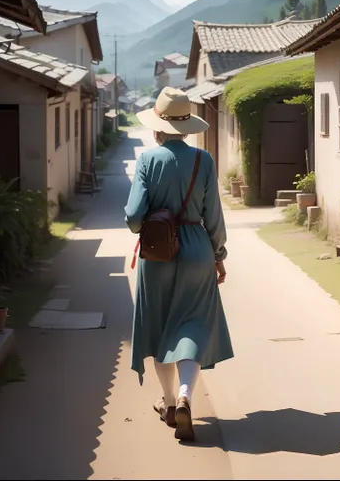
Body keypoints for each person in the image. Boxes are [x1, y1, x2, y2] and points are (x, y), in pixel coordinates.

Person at [125, 86, 234, 442]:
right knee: (191, 327)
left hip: (157, 253)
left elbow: (132, 216)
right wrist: (218, 256)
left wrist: (151, 223)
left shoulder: (146, 161)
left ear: (157, 126)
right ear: (187, 127)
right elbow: (213, 216)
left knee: (159, 329)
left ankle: (170, 403)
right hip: (197, 250)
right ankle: (187, 395)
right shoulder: (205, 161)